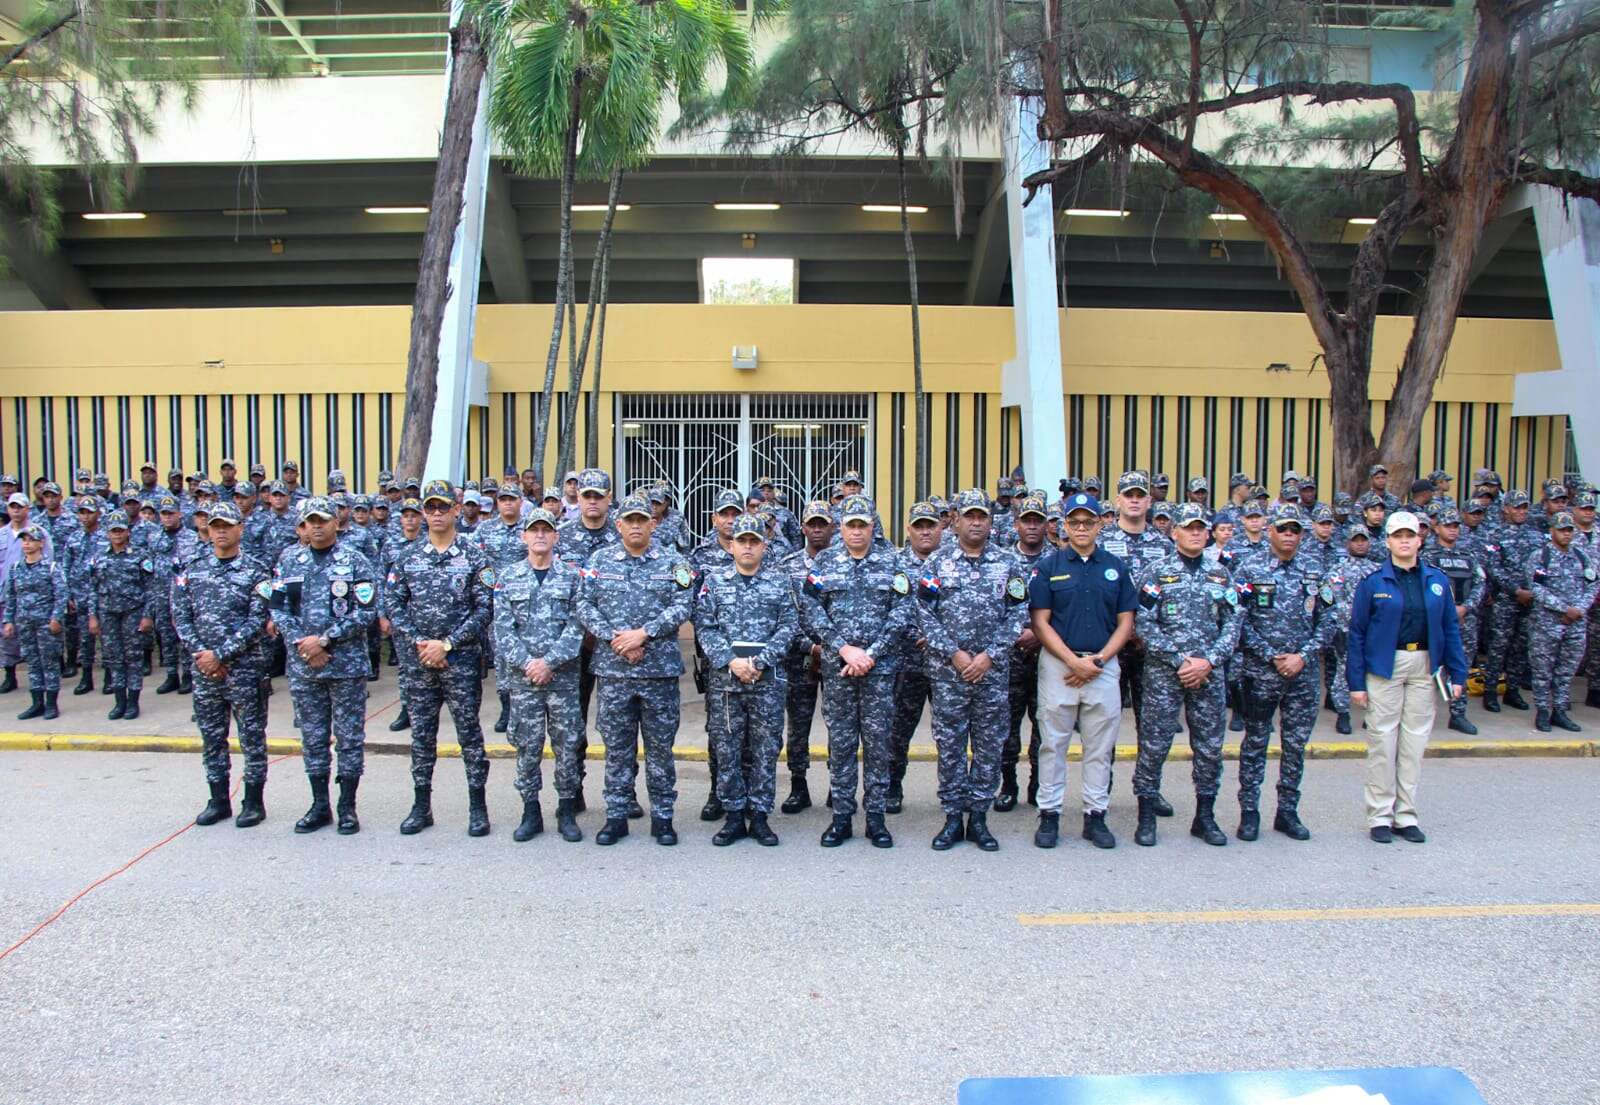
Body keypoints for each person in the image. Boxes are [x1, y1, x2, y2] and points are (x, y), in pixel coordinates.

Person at [576, 493, 696, 846]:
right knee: (617, 748)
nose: (635, 526)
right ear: (619, 524)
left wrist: (643, 634)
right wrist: (616, 639)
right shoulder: (598, 561)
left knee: (660, 749)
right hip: (614, 673)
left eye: (642, 520)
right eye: (629, 520)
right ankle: (616, 815)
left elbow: (683, 605)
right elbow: (583, 603)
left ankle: (662, 817)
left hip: (658, 672)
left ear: (653, 524)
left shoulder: (675, 563)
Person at [915, 489, 1029, 852]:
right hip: (949, 674)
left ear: (990, 521)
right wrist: (954, 653)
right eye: (969, 516)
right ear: (956, 520)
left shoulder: (1008, 563)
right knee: (949, 745)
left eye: (982, 516)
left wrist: (989, 655)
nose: (976, 522)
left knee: (989, 745)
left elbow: (1018, 613)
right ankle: (951, 817)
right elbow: (923, 611)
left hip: (991, 674)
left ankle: (978, 817)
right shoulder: (937, 563)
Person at [798, 494, 912, 849]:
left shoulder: (893, 562)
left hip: (879, 671)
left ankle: (875, 818)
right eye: (851, 525)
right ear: (841, 528)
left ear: (873, 527)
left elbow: (902, 612)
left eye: (863, 525)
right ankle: (842, 817)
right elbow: (811, 608)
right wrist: (843, 648)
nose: (857, 531)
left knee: (878, 745)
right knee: (842, 745)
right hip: (838, 670)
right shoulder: (824, 563)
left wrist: (871, 654)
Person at [1348, 511, 1468, 844]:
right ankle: (1380, 817)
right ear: (1387, 541)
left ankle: (1406, 815)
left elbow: (1449, 629)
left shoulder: (1436, 580)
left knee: (1414, 743)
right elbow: (1356, 633)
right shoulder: (1374, 582)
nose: (1404, 541)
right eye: (1397, 535)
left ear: (1420, 539)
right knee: (1382, 743)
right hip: (1386, 664)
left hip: (1424, 663)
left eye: (1410, 535)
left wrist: (1458, 672)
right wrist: (1356, 683)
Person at [1026, 492, 1136, 850]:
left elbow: (1126, 622)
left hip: (1102, 666)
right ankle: (1050, 815)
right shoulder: (1049, 566)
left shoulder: (1115, 567)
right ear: (1064, 527)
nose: (1082, 528)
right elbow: (1040, 621)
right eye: (1074, 522)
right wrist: (1073, 661)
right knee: (1052, 745)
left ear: (1100, 524)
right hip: (1060, 666)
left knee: (1099, 747)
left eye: (1088, 521)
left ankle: (1095, 816)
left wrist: (1099, 661)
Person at [1131, 503, 1244, 847]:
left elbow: (1233, 621)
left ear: (1208, 533)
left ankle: (1204, 816)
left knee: (1209, 747)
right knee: (1154, 745)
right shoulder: (1156, 572)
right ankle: (1147, 815)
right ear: (1174, 532)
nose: (1195, 533)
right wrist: (1180, 660)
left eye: (1201, 528)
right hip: (1165, 673)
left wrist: (1208, 660)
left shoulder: (1221, 573)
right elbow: (1143, 622)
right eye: (1188, 527)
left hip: (1208, 674)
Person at [388, 480, 496, 837]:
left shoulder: (475, 557)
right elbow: (394, 606)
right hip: (419, 663)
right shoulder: (407, 558)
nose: (436, 513)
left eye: (442, 507)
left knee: (469, 734)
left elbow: (484, 609)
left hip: (461, 662)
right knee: (421, 735)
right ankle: (421, 806)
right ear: (423, 513)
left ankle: (478, 807)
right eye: (430, 508)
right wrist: (423, 643)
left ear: (455, 510)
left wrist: (447, 644)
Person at [270, 496, 379, 835]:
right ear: (302, 527)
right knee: (313, 738)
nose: (316, 526)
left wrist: (325, 640)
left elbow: (367, 610)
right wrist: (305, 644)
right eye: (309, 521)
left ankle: (347, 807)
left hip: (345, 665)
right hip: (306, 665)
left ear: (336, 523)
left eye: (322, 520)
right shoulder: (289, 561)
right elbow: (278, 609)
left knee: (349, 738)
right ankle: (320, 805)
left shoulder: (355, 561)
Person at [693, 513, 798, 847]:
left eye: (754, 541)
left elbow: (789, 625)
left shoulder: (780, 581)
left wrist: (761, 661)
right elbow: (704, 625)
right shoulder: (715, 580)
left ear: (764, 545)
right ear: (732, 545)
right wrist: (730, 661)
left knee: (766, 749)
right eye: (742, 541)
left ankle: (761, 816)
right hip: (726, 682)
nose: (748, 547)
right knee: (728, 749)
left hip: (767, 681)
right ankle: (735, 815)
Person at [1231, 504, 1333, 841]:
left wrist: (1302, 657)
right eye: (1283, 529)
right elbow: (1236, 621)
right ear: (1270, 531)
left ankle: (1287, 812)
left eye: (1295, 530)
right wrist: (1273, 656)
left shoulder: (1315, 571)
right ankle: (1249, 812)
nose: (1289, 535)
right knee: (1255, 742)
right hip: (1261, 673)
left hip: (1302, 675)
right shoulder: (1249, 568)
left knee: (1295, 744)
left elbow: (1328, 621)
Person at [171, 501, 272, 828]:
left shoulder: (256, 570)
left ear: (240, 528)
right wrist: (202, 654)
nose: (221, 532)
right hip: (205, 671)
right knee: (212, 737)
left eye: (228, 525)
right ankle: (218, 800)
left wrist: (221, 655)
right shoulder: (193, 568)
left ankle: (253, 802)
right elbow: (181, 616)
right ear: (208, 529)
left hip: (245, 669)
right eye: (216, 526)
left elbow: (258, 620)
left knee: (252, 738)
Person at [493, 507, 586, 842]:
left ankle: (566, 810)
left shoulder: (571, 577)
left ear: (556, 537)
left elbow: (577, 627)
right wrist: (530, 664)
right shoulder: (509, 577)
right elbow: (502, 630)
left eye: (547, 530)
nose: (541, 535)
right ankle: (530, 811)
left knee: (566, 745)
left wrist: (550, 662)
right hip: (524, 681)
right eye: (534, 530)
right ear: (524, 537)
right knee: (527, 746)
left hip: (562, 679)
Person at [779, 501, 835, 814]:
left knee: (837, 724)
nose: (816, 529)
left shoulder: (841, 563)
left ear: (832, 527)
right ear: (802, 527)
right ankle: (798, 785)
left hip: (836, 656)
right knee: (798, 725)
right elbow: (782, 614)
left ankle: (835, 785)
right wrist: (808, 647)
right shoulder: (786, 566)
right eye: (811, 523)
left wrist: (830, 647)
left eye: (822, 524)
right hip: (797, 657)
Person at [888, 502, 941, 813]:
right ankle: (894, 785)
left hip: (947, 664)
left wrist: (938, 636)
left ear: (941, 529)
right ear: (909, 530)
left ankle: (953, 790)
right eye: (919, 525)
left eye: (930, 525)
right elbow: (887, 609)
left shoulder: (951, 562)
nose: (925, 531)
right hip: (905, 662)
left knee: (950, 731)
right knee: (898, 730)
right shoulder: (894, 564)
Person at [998, 494, 1050, 810]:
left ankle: (1038, 785)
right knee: (1006, 728)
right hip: (1010, 656)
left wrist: (1039, 635)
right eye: (1026, 520)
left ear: (1046, 525)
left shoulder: (1059, 560)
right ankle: (1008, 785)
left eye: (1037, 521)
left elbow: (1065, 608)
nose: (1031, 526)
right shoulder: (1003, 561)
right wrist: (1020, 632)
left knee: (1044, 727)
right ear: (1016, 524)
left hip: (1049, 656)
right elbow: (995, 608)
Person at [1526, 511, 1599, 732]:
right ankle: (1542, 711)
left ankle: (1559, 711)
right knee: (1542, 671)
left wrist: (1579, 609)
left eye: (1569, 530)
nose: (1566, 534)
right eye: (1562, 530)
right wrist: (1564, 608)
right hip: (1547, 624)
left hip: (1575, 624)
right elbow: (1536, 587)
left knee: (1566, 671)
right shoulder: (1540, 557)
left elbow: (1593, 584)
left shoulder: (1581, 556)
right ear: (1552, 531)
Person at [1422, 508, 1487, 734]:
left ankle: (1457, 714)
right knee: (1427, 668)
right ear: (1437, 528)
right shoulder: (1427, 557)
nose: (1452, 529)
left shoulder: (1468, 556)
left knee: (1461, 667)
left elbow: (1480, 583)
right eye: (1448, 525)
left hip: (1464, 620)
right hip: (1436, 622)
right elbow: (1421, 588)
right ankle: (1422, 716)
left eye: (1456, 526)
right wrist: (1446, 610)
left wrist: (1465, 607)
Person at [87, 510, 155, 720]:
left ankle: (133, 702)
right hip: (108, 614)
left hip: (132, 613)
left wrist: (147, 615)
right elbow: (93, 588)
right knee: (114, 658)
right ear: (107, 533)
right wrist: (93, 615)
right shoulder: (98, 558)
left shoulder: (141, 556)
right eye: (113, 530)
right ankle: (119, 702)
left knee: (133, 657)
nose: (116, 534)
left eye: (120, 530)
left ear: (128, 532)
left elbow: (150, 588)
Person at [1480, 490, 1539, 712]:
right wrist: (1516, 590)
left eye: (1524, 507)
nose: (1521, 511)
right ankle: (1491, 690)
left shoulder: (1535, 536)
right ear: (1506, 508)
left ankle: (1512, 690)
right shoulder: (1495, 534)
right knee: (1499, 647)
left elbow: (1541, 568)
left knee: (1520, 647)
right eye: (1517, 507)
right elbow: (1493, 568)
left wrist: (1532, 591)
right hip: (1505, 599)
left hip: (1530, 600)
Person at [2, 523, 67, 720]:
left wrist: (56, 618)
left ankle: (51, 704)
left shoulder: (52, 567)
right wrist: (8, 620)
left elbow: (61, 595)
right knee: (33, 662)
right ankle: (36, 702)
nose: (27, 544)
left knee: (49, 662)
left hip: (46, 623)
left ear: (41, 543)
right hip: (25, 622)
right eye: (24, 540)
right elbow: (11, 596)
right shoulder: (16, 568)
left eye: (32, 540)